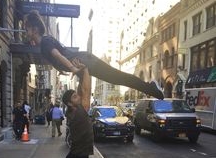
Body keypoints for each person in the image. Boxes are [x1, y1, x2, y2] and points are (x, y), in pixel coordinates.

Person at [24, 10, 164, 100]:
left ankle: (151, 87)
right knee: (116, 79)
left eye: (27, 29)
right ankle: (151, 89)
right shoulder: (45, 42)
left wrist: (72, 68)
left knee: (118, 77)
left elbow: (58, 55)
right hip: (82, 63)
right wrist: (64, 70)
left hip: (85, 62)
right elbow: (58, 56)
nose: (25, 31)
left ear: (35, 29)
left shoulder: (45, 42)